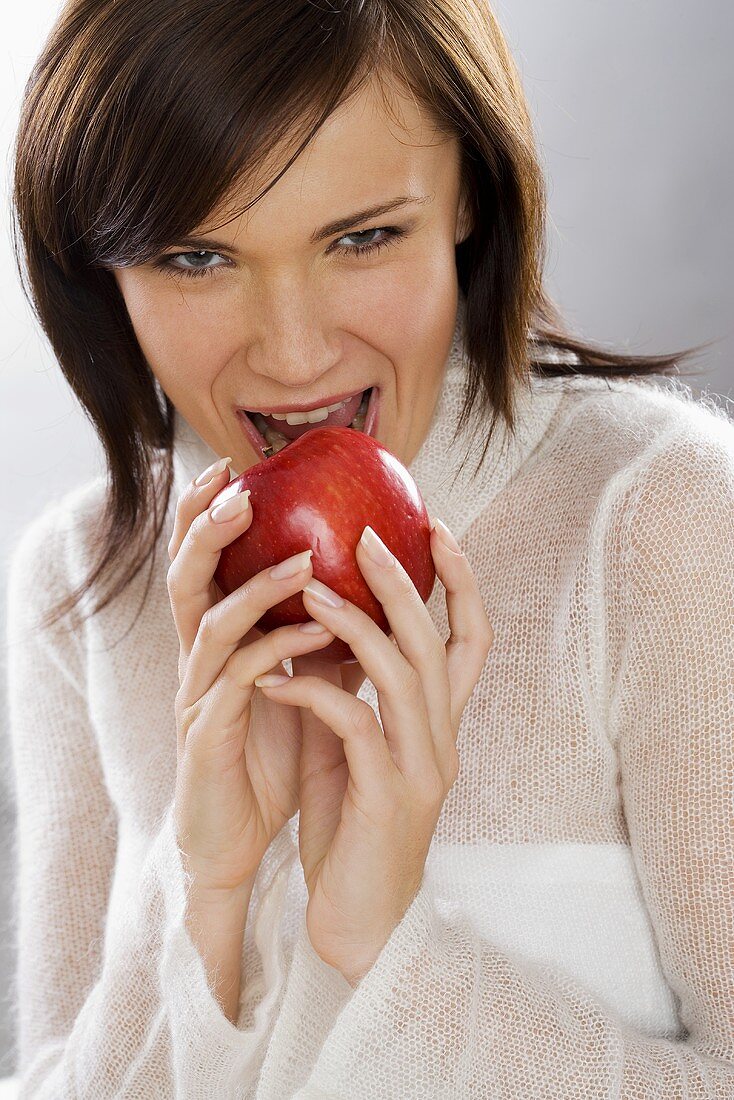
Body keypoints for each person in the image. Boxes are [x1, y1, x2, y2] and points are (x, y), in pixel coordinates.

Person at [5, 0, 733, 1095]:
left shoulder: (657, 518)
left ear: (469, 201)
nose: (293, 354)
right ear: (96, 272)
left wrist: (392, 953)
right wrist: (204, 893)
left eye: (361, 236)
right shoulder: (80, 580)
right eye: (195, 256)